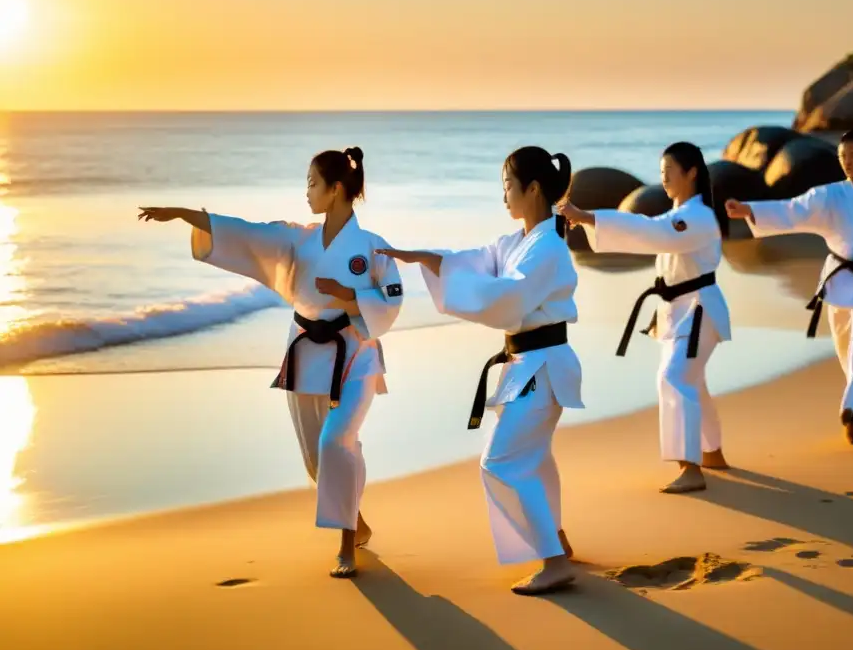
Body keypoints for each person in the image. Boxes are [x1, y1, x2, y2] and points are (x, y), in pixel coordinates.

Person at [138, 147, 404, 578]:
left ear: (336, 190)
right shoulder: (297, 238)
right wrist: (186, 214)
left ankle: (345, 545)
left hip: (355, 354)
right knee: (317, 461)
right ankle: (358, 523)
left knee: (337, 441)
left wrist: (348, 295)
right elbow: (246, 234)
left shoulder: (373, 248)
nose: (307, 193)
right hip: (304, 351)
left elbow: (393, 300)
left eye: (312, 184)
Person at [377, 146, 582, 596]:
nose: (503, 196)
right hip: (530, 364)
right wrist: (420, 257)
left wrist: (448, 276)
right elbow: (472, 261)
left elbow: (504, 298)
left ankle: (551, 560)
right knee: (534, 459)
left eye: (508, 186)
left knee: (501, 462)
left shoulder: (546, 247)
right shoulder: (520, 242)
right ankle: (559, 544)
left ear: (532, 189)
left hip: (541, 365)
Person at [724, 126, 853, 444]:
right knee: (845, 349)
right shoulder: (828, 196)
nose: (846, 161)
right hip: (840, 280)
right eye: (842, 156)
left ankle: (852, 413)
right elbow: (792, 209)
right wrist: (750, 209)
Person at [558, 142, 731, 495]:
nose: (663, 178)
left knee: (675, 378)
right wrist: (588, 218)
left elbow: (653, 232)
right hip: (678, 312)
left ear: (691, 173)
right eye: (661, 172)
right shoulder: (683, 215)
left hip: (699, 312)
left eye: (668, 171)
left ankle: (690, 467)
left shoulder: (696, 217)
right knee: (692, 381)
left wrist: (590, 216)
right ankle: (712, 452)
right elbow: (653, 229)